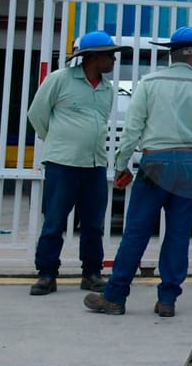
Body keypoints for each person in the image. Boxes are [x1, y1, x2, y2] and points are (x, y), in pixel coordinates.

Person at [84, 27, 192, 317]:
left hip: (155, 163)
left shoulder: (148, 84)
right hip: (189, 165)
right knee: (177, 234)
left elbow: (132, 129)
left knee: (136, 232)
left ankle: (115, 297)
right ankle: (167, 300)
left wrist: (121, 165)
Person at [27, 31, 132, 296]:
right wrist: (56, 140)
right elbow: (37, 114)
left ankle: (92, 273)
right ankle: (47, 275)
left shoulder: (107, 89)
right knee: (54, 221)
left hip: (95, 164)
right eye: (110, 54)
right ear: (93, 57)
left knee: (93, 223)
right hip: (62, 163)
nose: (114, 60)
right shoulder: (59, 80)